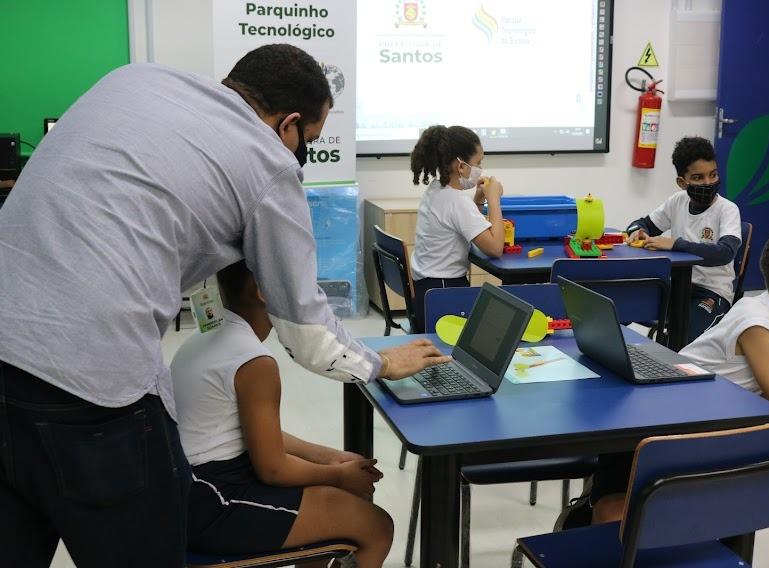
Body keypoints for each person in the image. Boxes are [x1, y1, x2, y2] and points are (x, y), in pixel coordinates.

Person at [0, 44, 448, 567]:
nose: (299, 156)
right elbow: (310, 335)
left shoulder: (133, 80)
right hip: (93, 383)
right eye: (308, 143)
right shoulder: (269, 164)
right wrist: (382, 362)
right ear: (289, 125)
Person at [592, 222, 769, 524]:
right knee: (612, 498)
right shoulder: (758, 322)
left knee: (614, 489)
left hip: (697, 421)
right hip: (672, 416)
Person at [172, 260, 392, 567]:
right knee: (377, 526)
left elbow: (250, 434)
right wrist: (339, 476)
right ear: (264, 291)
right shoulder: (254, 362)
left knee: (335, 507)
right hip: (214, 503)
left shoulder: (210, 333)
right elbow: (273, 469)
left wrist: (328, 458)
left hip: (186, 489)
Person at [626, 136, 742, 343]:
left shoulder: (727, 209)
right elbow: (642, 223)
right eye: (698, 178)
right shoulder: (676, 201)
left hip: (711, 293)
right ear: (682, 182)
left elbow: (725, 253)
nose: (708, 182)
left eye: (713, 175)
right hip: (674, 288)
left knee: (686, 342)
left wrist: (675, 244)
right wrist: (637, 231)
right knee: (621, 307)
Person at [408, 125, 506, 332]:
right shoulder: (457, 201)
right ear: (461, 166)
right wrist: (494, 199)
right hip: (445, 293)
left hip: (426, 289)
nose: (481, 169)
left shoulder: (436, 190)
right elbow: (495, 247)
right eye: (478, 163)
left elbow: (469, 227)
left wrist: (479, 201)